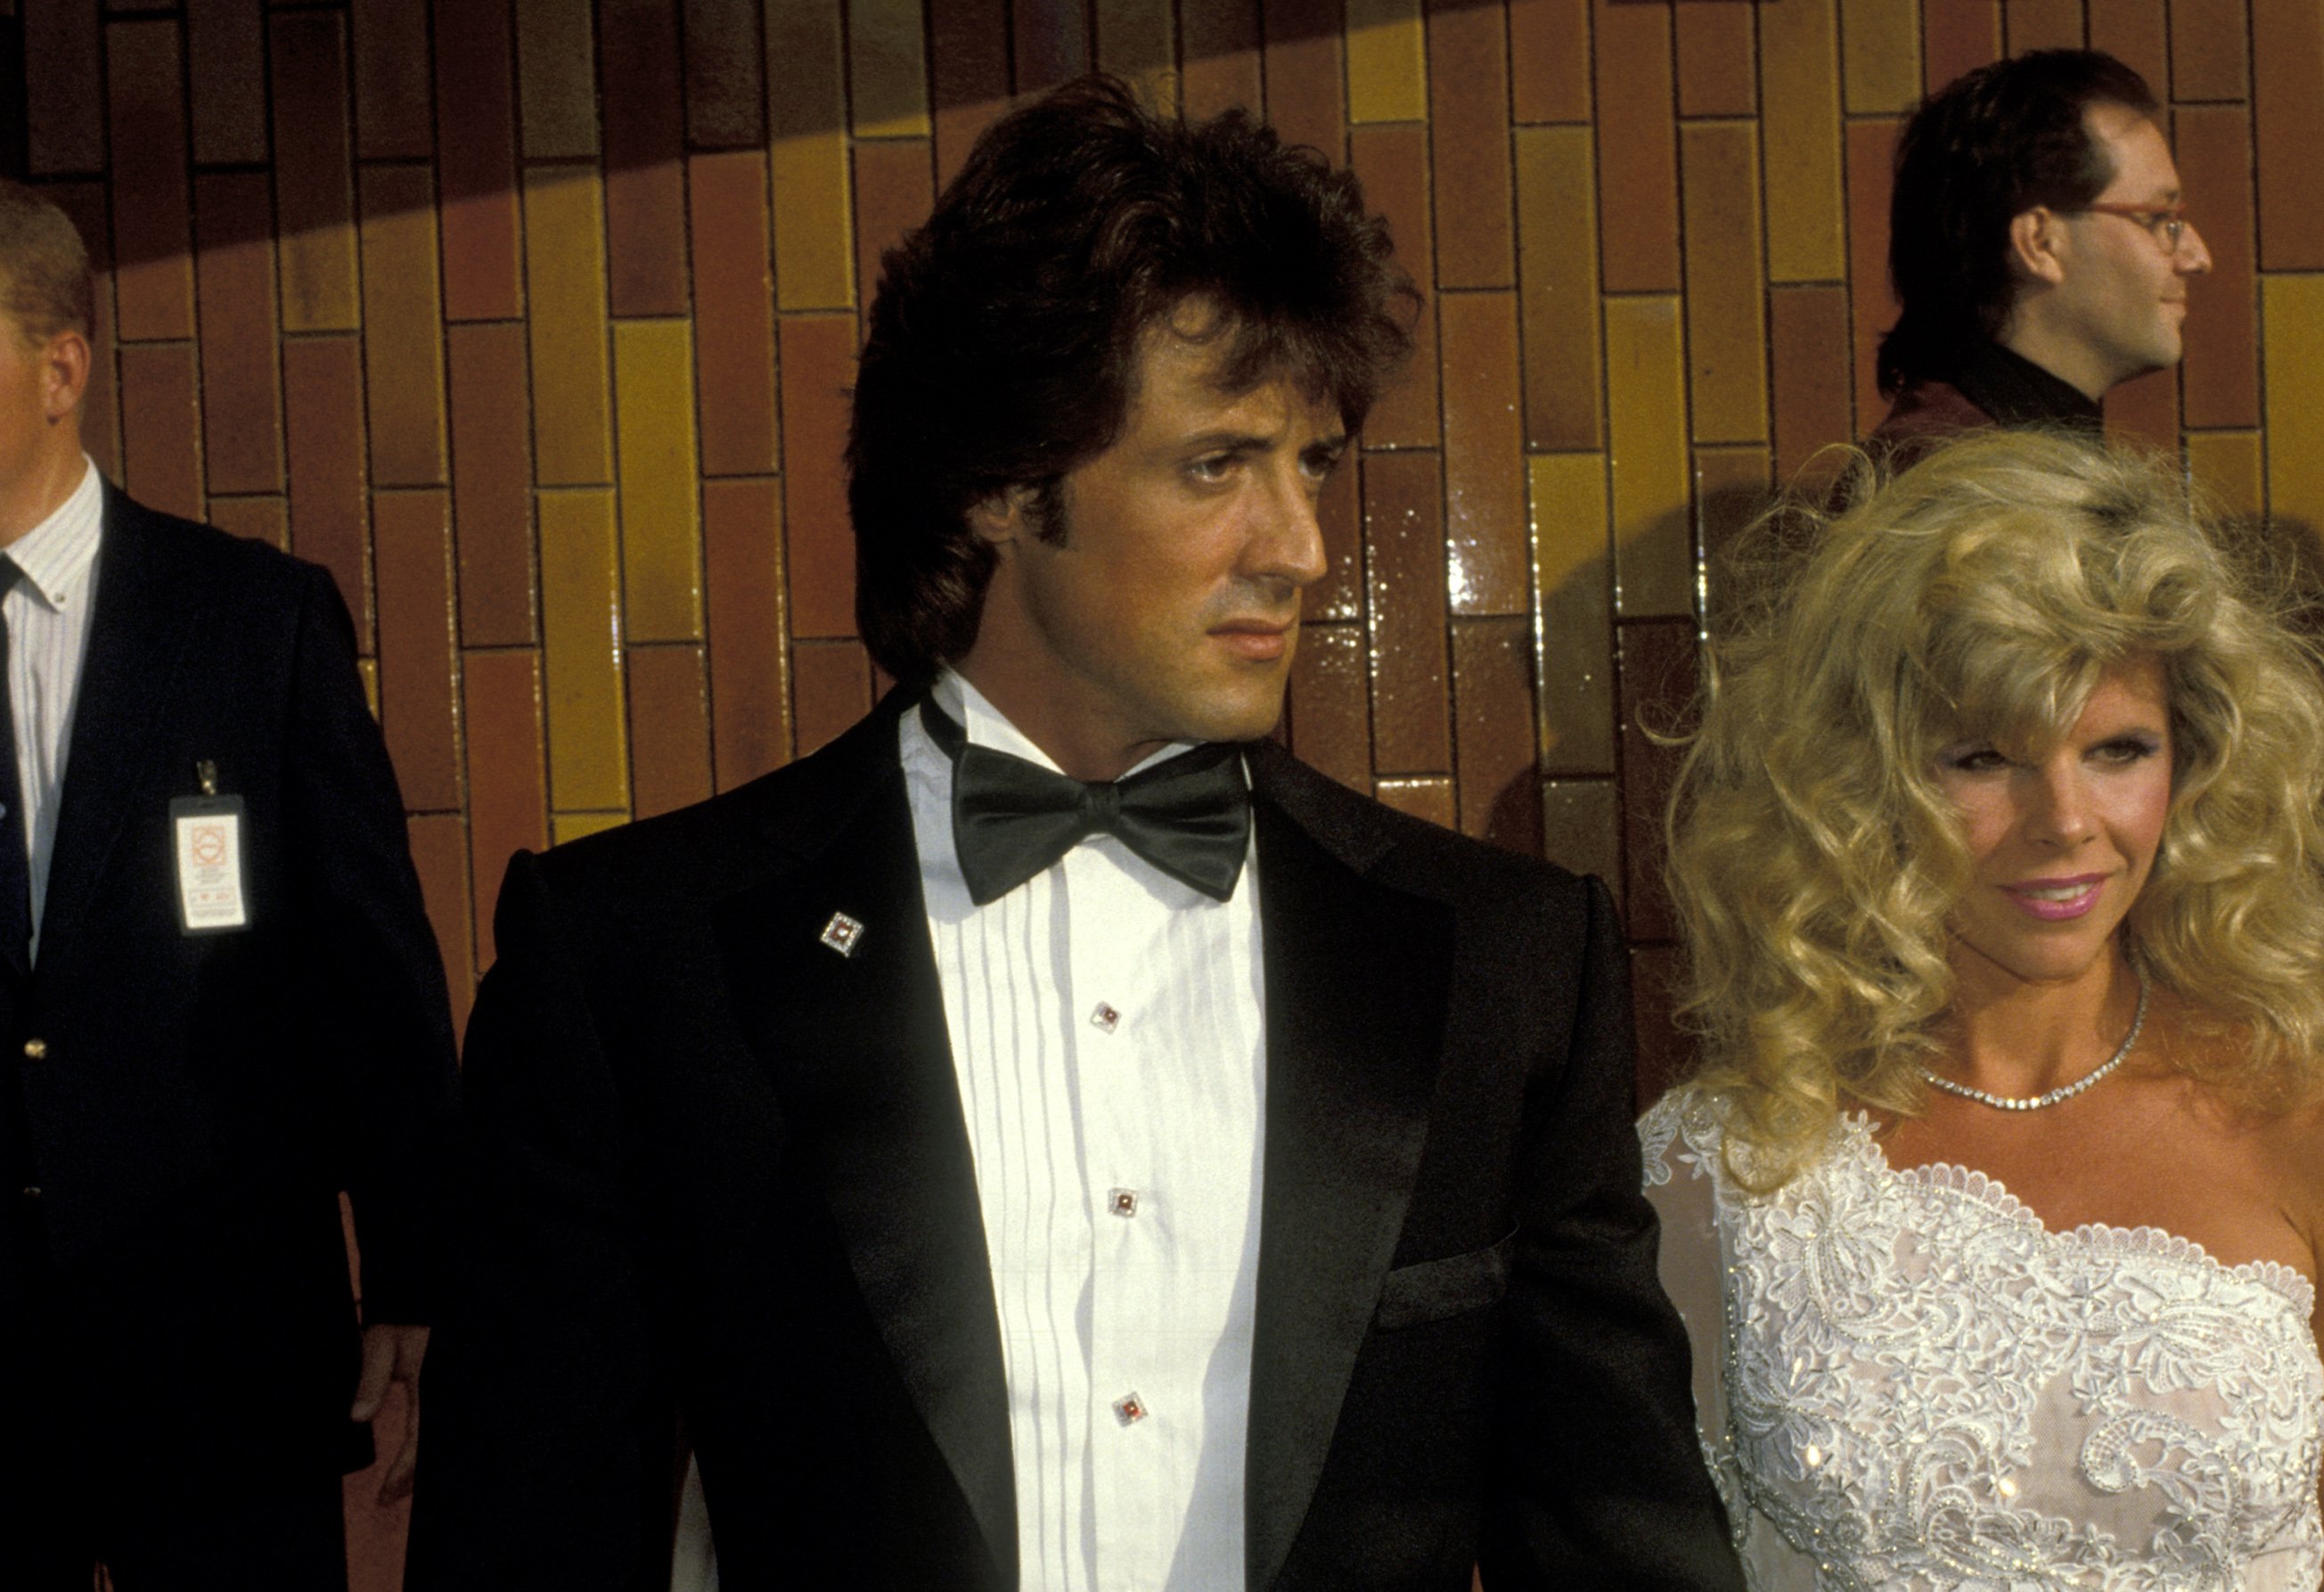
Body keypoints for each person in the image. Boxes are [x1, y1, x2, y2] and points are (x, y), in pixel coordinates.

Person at [405, 76, 1741, 1592]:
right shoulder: (639, 955)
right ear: (1000, 482)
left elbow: (1621, 1535)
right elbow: (524, 1536)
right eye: (1218, 463)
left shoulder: (1502, 958)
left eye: (1312, 465)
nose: (1299, 548)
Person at [1647, 432, 2324, 1587]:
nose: (2067, 819)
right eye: (1984, 757)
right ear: (1862, 776)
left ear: (2197, 761)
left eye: (2118, 747)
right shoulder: (1718, 1168)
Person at [0, 182, 459, 1588]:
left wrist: (416, 1271)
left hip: (217, 1344)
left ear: (60, 365)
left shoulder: (253, 620)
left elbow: (368, 967)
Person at [1870, 49, 2214, 458]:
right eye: (2160, 218)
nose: (2198, 258)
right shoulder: (1966, 493)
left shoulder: (1982, 454)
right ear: (2039, 242)